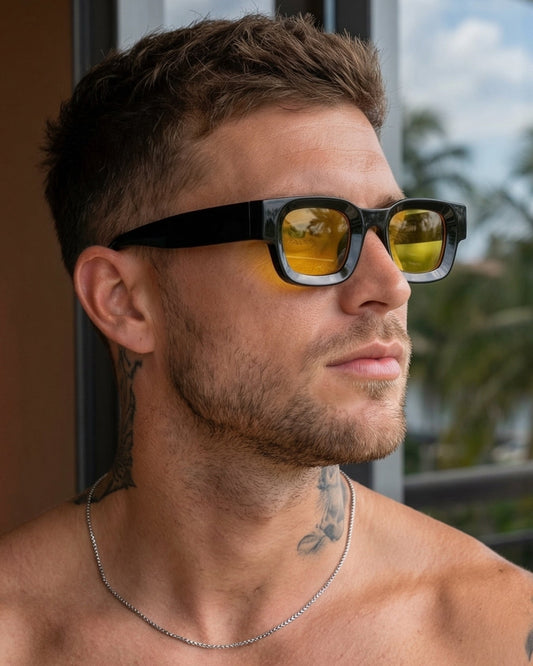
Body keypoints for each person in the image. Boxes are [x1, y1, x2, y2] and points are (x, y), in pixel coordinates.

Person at [1, 13, 532, 664]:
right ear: (123, 301)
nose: (390, 285)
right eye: (310, 231)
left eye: (399, 229)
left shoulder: (494, 632)